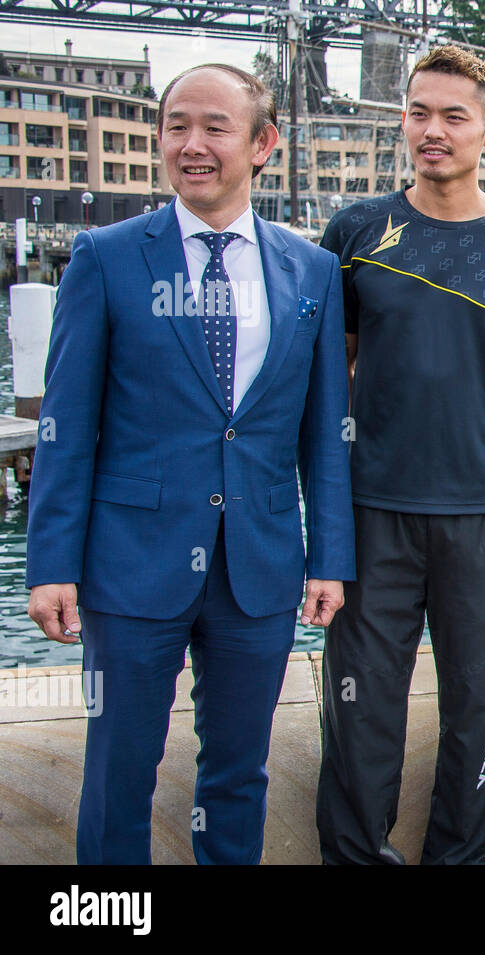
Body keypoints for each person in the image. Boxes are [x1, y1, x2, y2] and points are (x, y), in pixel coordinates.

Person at [25, 63, 354, 865]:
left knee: (240, 772)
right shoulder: (104, 257)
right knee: (120, 769)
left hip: (262, 564)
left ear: (262, 143)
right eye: (177, 125)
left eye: (214, 127)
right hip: (130, 564)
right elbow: (66, 428)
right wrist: (51, 564)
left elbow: (323, 431)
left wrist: (329, 558)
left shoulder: (310, 270)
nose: (192, 145)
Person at [314, 44, 485, 865]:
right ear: (403, 122)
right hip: (372, 510)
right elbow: (339, 366)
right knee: (361, 704)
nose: (434, 130)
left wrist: (479, 442)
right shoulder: (353, 233)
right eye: (419, 113)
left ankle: (460, 855)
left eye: (454, 116)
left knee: (477, 701)